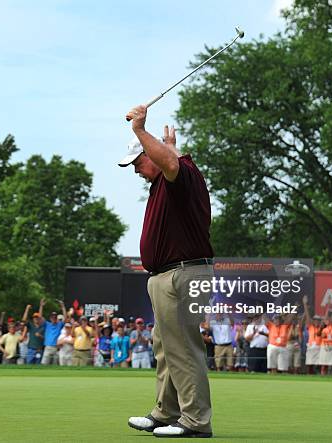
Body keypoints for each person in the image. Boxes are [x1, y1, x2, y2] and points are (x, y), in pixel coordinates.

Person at [122, 104, 214, 438]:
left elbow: (172, 162)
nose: (135, 171)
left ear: (152, 154)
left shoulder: (178, 175)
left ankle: (195, 421)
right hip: (168, 275)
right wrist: (166, 146)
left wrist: (140, 131)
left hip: (182, 274)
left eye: (137, 162)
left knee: (183, 349)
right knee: (166, 348)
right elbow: (171, 159)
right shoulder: (169, 180)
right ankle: (165, 412)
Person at [41, 300, 67, 366]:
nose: (54, 318)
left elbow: (65, 318)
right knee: (44, 364)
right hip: (48, 347)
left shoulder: (59, 324)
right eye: (52, 317)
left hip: (56, 347)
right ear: (50, 318)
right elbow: (40, 317)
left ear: (56, 318)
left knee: (55, 365)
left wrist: (63, 307)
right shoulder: (47, 324)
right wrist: (41, 306)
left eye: (55, 317)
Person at [302, 296, 322, 375]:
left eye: (318, 320)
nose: (316, 321)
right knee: (309, 364)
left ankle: (321, 377)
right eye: (315, 320)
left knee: (320, 365)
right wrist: (305, 305)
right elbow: (307, 316)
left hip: (319, 347)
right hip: (311, 347)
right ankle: (309, 376)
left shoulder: (322, 327)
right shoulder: (311, 326)